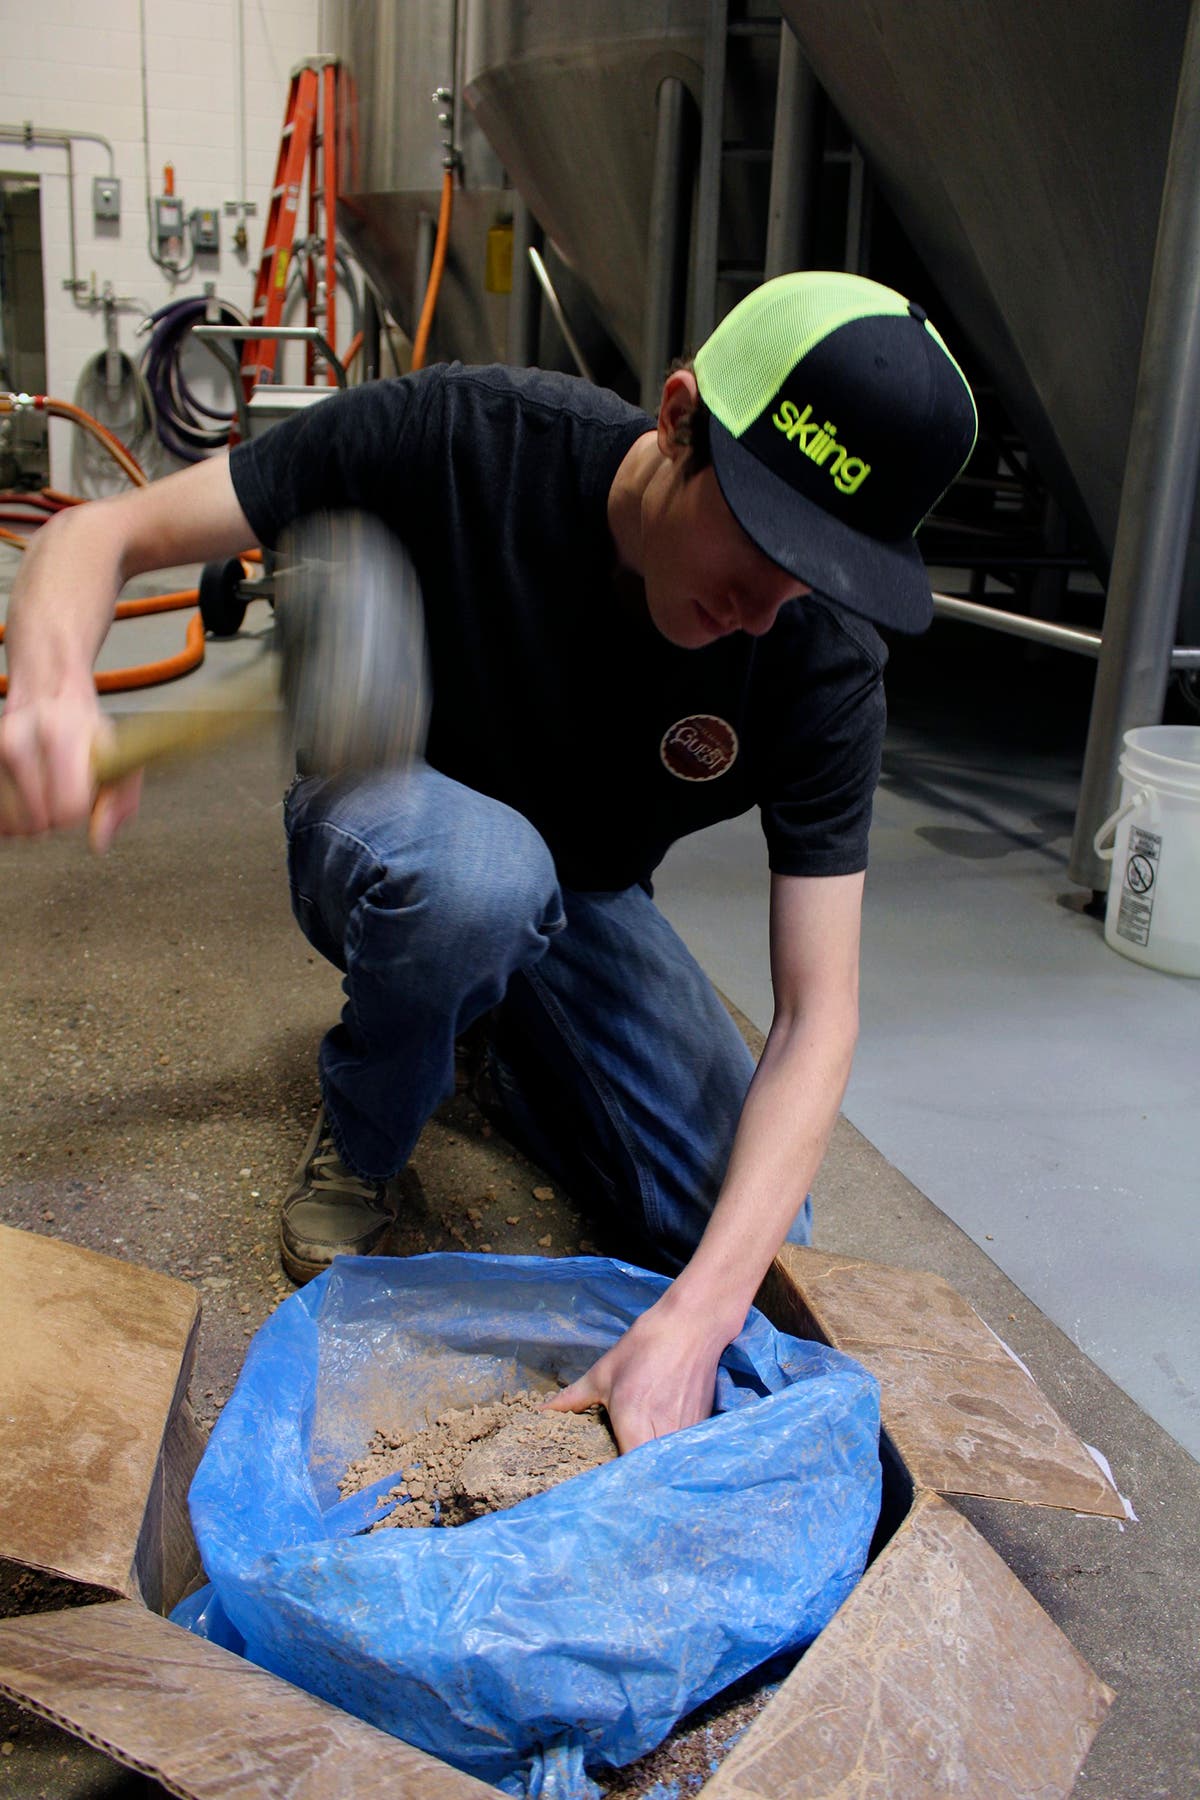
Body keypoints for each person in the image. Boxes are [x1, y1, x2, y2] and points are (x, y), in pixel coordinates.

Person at [0, 270, 977, 1452]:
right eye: (769, 536)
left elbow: (820, 1016)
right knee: (479, 879)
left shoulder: (819, 660)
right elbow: (102, 533)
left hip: (585, 894)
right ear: (678, 421)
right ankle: (367, 1136)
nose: (771, 607)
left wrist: (698, 1312)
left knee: (759, 1247)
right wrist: (50, 688)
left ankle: (501, 1037)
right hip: (392, 831)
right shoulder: (463, 436)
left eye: (823, 570)